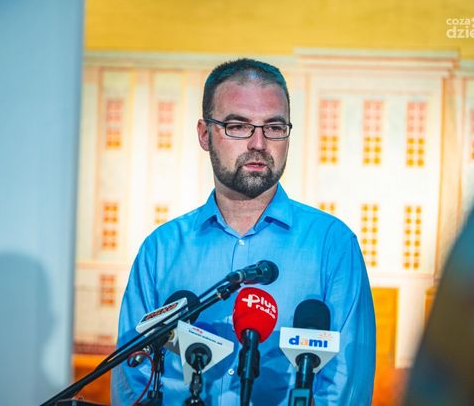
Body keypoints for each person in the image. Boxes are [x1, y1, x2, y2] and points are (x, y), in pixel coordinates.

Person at [111, 58, 376, 405]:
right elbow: (134, 379)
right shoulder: (161, 250)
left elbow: (345, 387)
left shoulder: (332, 245)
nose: (258, 143)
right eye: (238, 126)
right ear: (204, 134)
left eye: (274, 127)